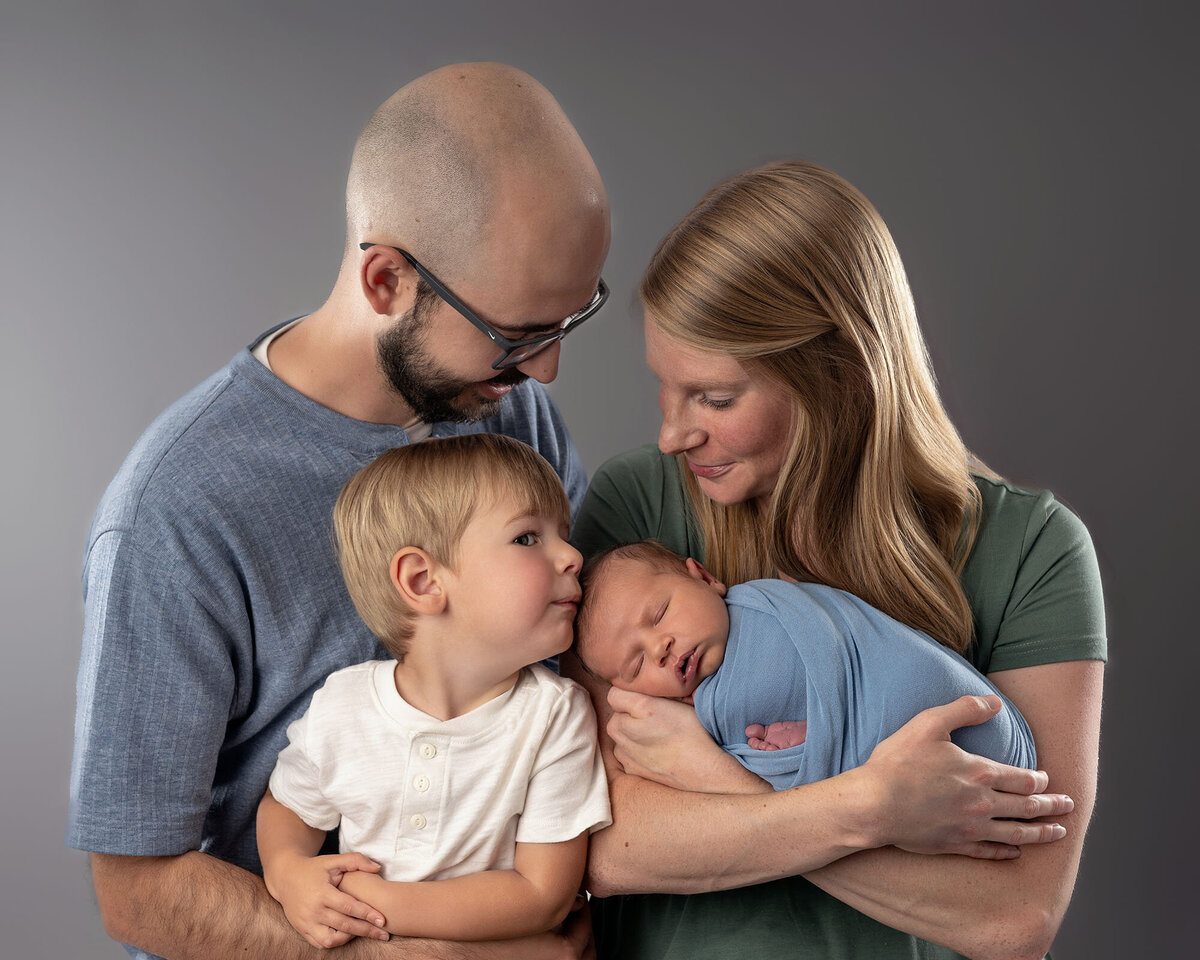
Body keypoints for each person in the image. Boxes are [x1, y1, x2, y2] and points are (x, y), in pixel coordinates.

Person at [69, 62, 610, 960]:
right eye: (518, 335)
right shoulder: (179, 508)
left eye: (569, 322)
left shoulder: (509, 410)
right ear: (388, 279)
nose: (546, 373)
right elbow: (137, 890)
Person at [564, 160, 1105, 960]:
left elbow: (1011, 918)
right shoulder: (644, 509)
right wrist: (870, 808)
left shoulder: (1033, 552)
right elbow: (600, 848)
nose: (676, 434)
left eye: (714, 398)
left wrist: (713, 780)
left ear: (840, 375)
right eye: (664, 389)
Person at [258, 435, 610, 948]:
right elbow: (289, 806)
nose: (573, 556)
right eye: (529, 538)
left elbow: (541, 894)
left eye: (564, 534)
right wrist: (288, 873)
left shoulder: (554, 716)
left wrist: (365, 901)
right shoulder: (344, 705)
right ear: (423, 581)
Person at [572, 539, 1035, 789]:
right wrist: (808, 744)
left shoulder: (768, 608)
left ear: (705, 578)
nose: (660, 648)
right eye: (635, 666)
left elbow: (851, 646)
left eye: (659, 615)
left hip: (940, 701)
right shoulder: (698, 711)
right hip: (907, 778)